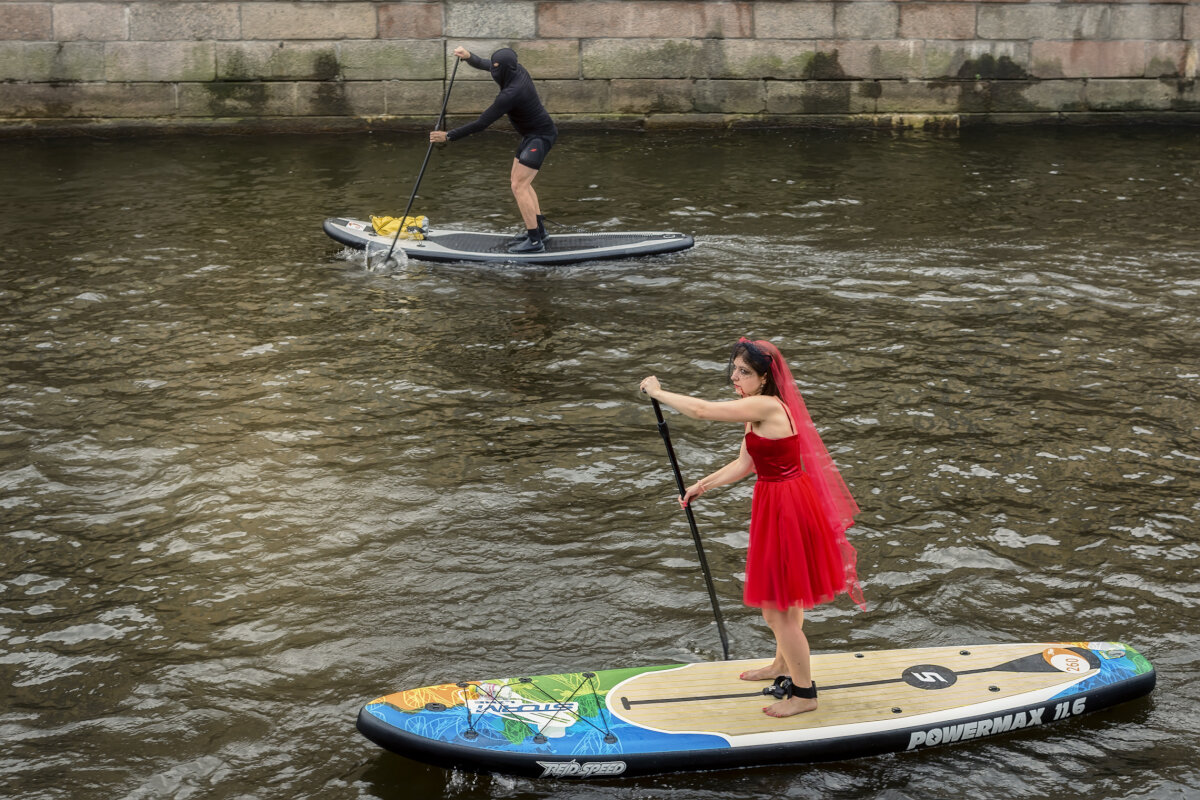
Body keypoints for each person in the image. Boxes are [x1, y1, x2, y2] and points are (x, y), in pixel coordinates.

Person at [639, 338, 865, 718]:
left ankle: (804, 694)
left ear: (764, 378)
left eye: (744, 371)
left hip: (787, 505)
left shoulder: (765, 404)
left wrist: (658, 392)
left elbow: (700, 410)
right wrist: (702, 485)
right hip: (781, 500)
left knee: (775, 611)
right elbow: (746, 463)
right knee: (787, 600)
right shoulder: (757, 411)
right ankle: (782, 664)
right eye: (734, 369)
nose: (735, 376)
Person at [430, 46, 558, 254]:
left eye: (498, 68)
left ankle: (535, 242)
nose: (495, 71)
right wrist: (469, 57)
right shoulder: (516, 69)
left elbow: (481, 124)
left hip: (541, 137)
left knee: (519, 186)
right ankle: (540, 232)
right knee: (518, 183)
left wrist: (449, 135)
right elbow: (487, 65)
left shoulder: (511, 94)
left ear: (506, 69)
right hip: (531, 136)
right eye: (495, 66)